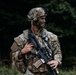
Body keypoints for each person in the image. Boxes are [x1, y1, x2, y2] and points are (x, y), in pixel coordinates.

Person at [11, 7, 62, 75]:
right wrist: (22, 52)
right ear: (34, 20)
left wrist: (57, 61)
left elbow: (58, 52)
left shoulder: (52, 37)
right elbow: (12, 56)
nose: (44, 21)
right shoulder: (22, 39)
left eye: (44, 18)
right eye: (42, 18)